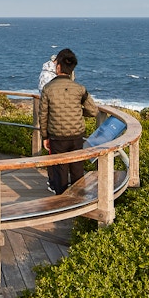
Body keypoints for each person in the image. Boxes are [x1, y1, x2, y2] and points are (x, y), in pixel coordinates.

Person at [38, 48, 98, 195]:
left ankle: (61, 201)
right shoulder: (80, 88)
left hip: (57, 136)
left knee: (60, 170)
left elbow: (43, 115)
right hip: (77, 135)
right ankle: (79, 201)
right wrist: (77, 111)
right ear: (72, 69)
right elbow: (93, 111)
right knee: (77, 170)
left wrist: (44, 137)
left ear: (58, 67)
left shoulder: (48, 88)